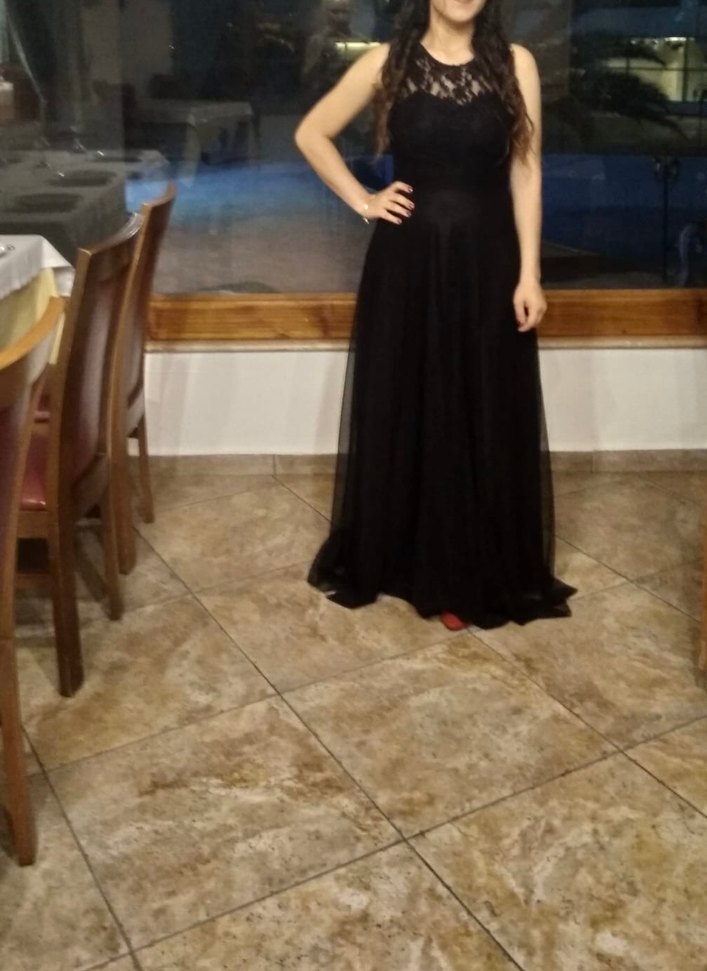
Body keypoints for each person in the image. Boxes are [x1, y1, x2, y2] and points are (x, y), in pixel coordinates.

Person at [294, 0, 577, 631]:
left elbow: (527, 172)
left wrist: (530, 272)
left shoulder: (517, 64)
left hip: (489, 264)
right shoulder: (386, 62)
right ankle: (412, 558)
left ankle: (469, 569)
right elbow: (311, 134)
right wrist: (363, 200)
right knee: (412, 402)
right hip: (407, 266)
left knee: (480, 403)